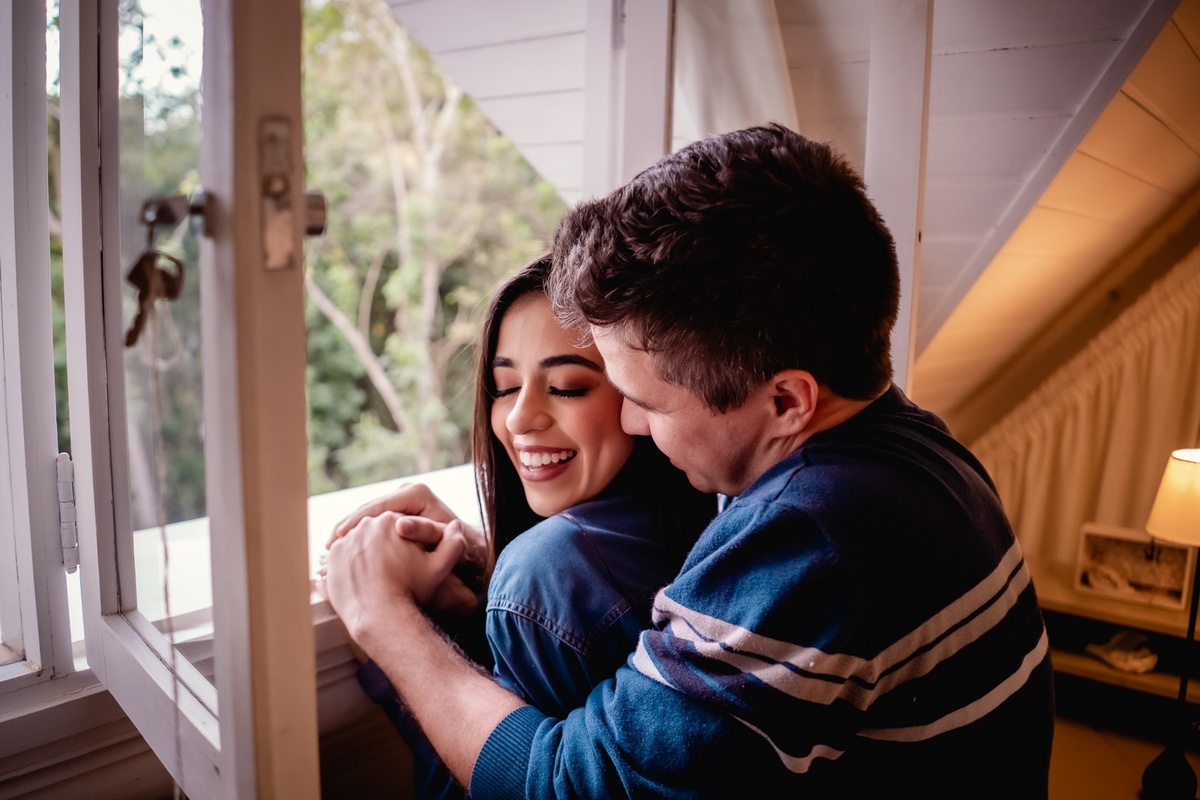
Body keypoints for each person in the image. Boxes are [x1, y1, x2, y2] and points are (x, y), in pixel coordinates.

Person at [324, 124, 1056, 798]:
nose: (634, 424)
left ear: (785, 402)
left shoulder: (814, 537)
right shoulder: (915, 446)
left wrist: (384, 619)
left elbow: (565, 788)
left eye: (649, 401)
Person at [332, 255, 716, 798]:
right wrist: (478, 596)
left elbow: (501, 785)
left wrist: (381, 614)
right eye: (505, 386)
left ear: (641, 396)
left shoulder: (547, 569)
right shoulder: (700, 524)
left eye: (565, 386)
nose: (518, 418)